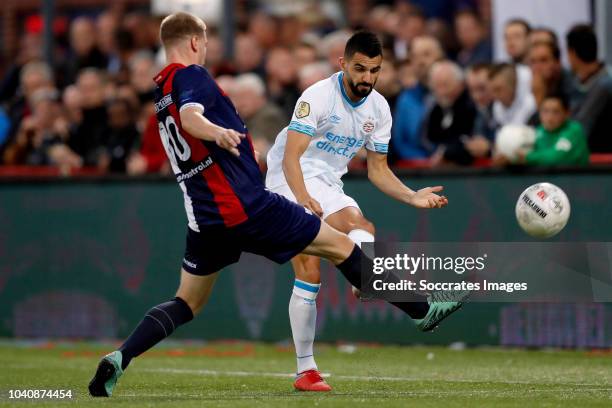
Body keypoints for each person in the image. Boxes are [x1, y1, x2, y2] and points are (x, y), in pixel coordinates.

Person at [88, 13, 463, 398]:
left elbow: (185, 123)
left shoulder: (160, 89)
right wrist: (218, 132)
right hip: (250, 205)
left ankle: (120, 357)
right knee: (343, 247)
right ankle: (422, 310)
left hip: (204, 218)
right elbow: (192, 118)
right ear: (198, 42)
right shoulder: (191, 76)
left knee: (186, 301)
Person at [265, 31, 458, 392]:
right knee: (309, 266)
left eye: (374, 70)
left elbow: (378, 170)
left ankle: (364, 280)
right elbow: (291, 156)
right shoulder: (317, 97)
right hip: (287, 181)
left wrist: (413, 196)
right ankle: (306, 370)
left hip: (327, 182)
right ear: (342, 64)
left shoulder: (379, 108)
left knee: (360, 224)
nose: (367, 78)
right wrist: (303, 197)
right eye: (359, 69)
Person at [500, 94, 589, 166]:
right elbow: (525, 155)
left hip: (575, 183)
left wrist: (527, 158)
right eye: (545, 111)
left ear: (567, 114)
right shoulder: (538, 131)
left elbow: (558, 157)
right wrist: (510, 160)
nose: (549, 118)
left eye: (556, 112)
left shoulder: (574, 130)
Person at [566, 24, 612, 153]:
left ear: (572, 53)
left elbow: (581, 129)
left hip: (600, 162)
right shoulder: (573, 81)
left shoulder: (605, 85)